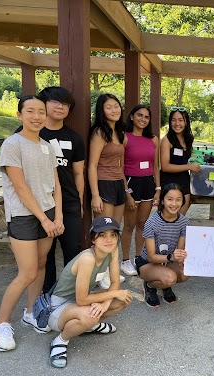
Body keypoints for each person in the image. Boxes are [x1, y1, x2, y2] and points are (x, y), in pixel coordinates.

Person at [0, 95, 64, 352]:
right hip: (23, 215)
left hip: (48, 214)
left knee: (42, 264)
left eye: (41, 111)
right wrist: (44, 219)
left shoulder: (48, 145)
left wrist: (58, 217)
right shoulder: (12, 144)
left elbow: (56, 185)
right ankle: (0, 324)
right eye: (30, 111)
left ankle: (31, 312)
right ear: (20, 115)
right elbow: (20, 187)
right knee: (28, 271)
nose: (36, 116)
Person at [47, 217, 132, 368]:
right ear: (93, 239)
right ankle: (60, 340)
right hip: (58, 308)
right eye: (103, 235)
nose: (109, 239)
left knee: (123, 299)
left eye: (113, 234)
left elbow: (115, 283)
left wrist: (105, 305)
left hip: (80, 302)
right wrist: (112, 295)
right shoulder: (87, 258)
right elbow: (81, 300)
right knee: (91, 314)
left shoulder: (112, 250)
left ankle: (89, 326)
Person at [37, 87, 85, 293]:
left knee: (73, 251)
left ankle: (67, 294)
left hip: (69, 202)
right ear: (44, 104)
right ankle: (46, 293)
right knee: (44, 254)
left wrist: (80, 203)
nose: (60, 106)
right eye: (55, 102)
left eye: (65, 104)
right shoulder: (30, 134)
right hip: (41, 204)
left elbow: (78, 174)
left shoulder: (74, 138)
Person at [88, 94, 128, 289]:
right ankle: (98, 274)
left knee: (114, 231)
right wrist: (95, 195)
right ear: (101, 111)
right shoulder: (99, 133)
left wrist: (126, 189)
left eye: (116, 106)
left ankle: (111, 272)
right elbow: (92, 165)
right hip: (103, 184)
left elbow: (120, 165)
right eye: (109, 107)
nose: (114, 110)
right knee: (104, 233)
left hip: (118, 185)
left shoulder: (120, 133)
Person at [120, 104, 161, 277]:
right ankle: (125, 261)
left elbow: (155, 166)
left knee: (142, 224)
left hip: (148, 184)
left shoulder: (153, 139)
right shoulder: (124, 137)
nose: (143, 119)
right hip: (131, 182)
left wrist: (158, 189)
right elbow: (119, 167)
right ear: (131, 117)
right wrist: (126, 192)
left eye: (146, 117)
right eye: (139, 115)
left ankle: (138, 257)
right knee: (128, 224)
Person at [135, 183, 190, 308]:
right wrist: (171, 257)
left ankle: (165, 284)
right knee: (170, 278)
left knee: (185, 273)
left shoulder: (184, 221)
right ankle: (150, 285)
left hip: (167, 261)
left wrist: (180, 257)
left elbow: (179, 249)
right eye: (169, 199)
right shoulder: (152, 222)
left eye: (178, 200)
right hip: (147, 263)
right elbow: (151, 257)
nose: (174, 204)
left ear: (183, 201)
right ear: (162, 201)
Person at [160, 107, 200, 214]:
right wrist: (189, 167)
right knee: (168, 217)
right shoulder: (166, 140)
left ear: (186, 122)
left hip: (184, 181)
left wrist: (195, 158)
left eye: (181, 120)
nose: (177, 123)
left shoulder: (188, 139)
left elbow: (186, 157)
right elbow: (165, 166)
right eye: (174, 120)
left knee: (180, 217)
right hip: (168, 182)